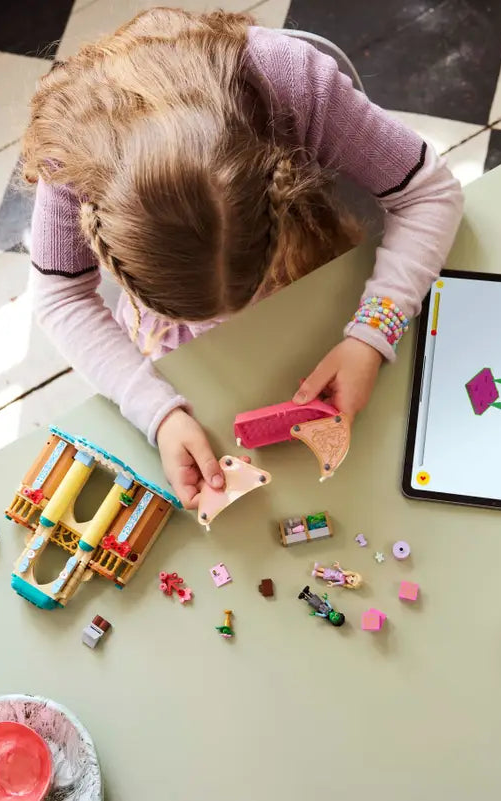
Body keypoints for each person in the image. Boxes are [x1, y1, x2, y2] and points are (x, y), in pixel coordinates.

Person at [23, 8, 463, 508]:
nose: (226, 322)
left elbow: (429, 192)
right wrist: (156, 412)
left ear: (280, 193)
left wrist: (373, 331)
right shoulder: (70, 153)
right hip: (180, 356)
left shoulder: (289, 80)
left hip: (320, 287)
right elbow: (60, 297)